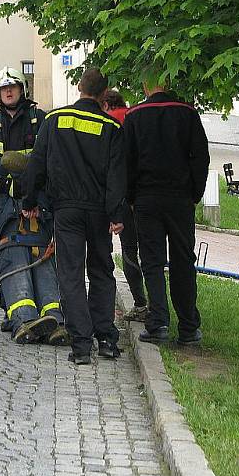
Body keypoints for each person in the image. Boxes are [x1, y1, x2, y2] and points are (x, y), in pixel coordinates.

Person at [23, 67, 126, 365]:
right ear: (104, 94)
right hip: (98, 211)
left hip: (66, 209)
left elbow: (37, 163)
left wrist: (30, 200)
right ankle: (106, 338)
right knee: (101, 271)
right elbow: (117, 176)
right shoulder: (111, 128)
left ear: (79, 86)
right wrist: (117, 213)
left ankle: (81, 345)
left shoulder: (54, 119)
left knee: (70, 274)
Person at [0, 67, 69, 346]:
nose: (9, 92)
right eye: (3, 89)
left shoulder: (40, 120)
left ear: (23, 90)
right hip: (7, 204)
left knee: (44, 257)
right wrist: (22, 177)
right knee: (14, 255)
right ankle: (22, 318)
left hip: (39, 202)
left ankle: (53, 318)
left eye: (13, 87)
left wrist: (30, 188)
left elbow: (48, 161)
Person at [124, 78, 210, 347]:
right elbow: (201, 157)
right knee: (184, 260)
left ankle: (158, 321)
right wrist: (195, 193)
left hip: (147, 198)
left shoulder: (134, 115)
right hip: (180, 198)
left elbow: (126, 160)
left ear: (146, 86)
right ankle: (188, 326)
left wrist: (130, 197)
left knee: (152, 260)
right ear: (169, 82)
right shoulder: (188, 113)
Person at [102, 89, 148, 323]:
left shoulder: (110, 122)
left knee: (129, 251)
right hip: (148, 195)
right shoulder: (135, 116)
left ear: (107, 105)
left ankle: (140, 303)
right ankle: (156, 305)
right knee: (149, 252)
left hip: (125, 199)